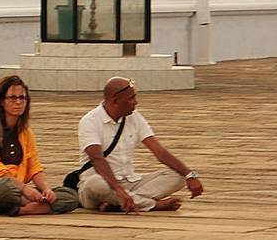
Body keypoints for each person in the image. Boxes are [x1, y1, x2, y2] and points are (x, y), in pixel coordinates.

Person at [75, 76, 204, 214]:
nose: (135, 102)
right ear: (115, 101)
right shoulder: (90, 121)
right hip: (102, 184)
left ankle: (120, 202)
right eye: (131, 98)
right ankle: (148, 204)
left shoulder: (135, 117)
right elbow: (97, 159)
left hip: (130, 182)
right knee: (95, 184)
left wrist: (190, 175)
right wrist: (118, 190)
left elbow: (159, 152)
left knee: (178, 176)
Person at [0, 75, 78, 216]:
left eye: (22, 98)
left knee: (70, 196)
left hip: (20, 190)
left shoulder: (25, 131)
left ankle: (25, 209)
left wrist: (46, 190)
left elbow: (34, 167)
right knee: (6, 190)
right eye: (12, 98)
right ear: (2, 101)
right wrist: (24, 189)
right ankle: (35, 206)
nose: (18, 102)